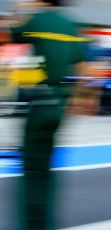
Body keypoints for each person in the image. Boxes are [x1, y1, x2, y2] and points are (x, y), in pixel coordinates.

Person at [10, 0, 88, 229]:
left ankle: (32, 224)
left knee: (33, 168)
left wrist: (19, 9)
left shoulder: (37, 19)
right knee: (46, 166)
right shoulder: (71, 25)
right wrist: (78, 97)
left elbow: (12, 34)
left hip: (40, 103)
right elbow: (82, 66)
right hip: (60, 105)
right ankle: (48, 223)